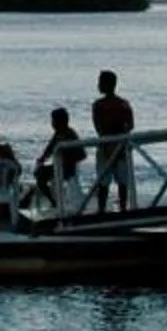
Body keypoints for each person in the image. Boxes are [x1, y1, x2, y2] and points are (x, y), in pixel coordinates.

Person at [87, 68, 136, 213]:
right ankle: (122, 208)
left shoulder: (98, 105)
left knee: (103, 181)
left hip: (105, 147)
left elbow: (98, 127)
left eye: (100, 82)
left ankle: (101, 210)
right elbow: (130, 125)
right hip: (121, 146)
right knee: (122, 182)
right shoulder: (123, 103)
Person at [35, 107, 85, 220]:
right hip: (58, 167)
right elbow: (49, 149)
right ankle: (54, 201)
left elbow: (82, 154)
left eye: (53, 120)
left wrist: (70, 157)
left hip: (68, 168)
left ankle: (57, 202)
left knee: (41, 174)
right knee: (39, 174)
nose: (52, 123)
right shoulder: (57, 134)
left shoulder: (70, 134)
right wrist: (42, 159)